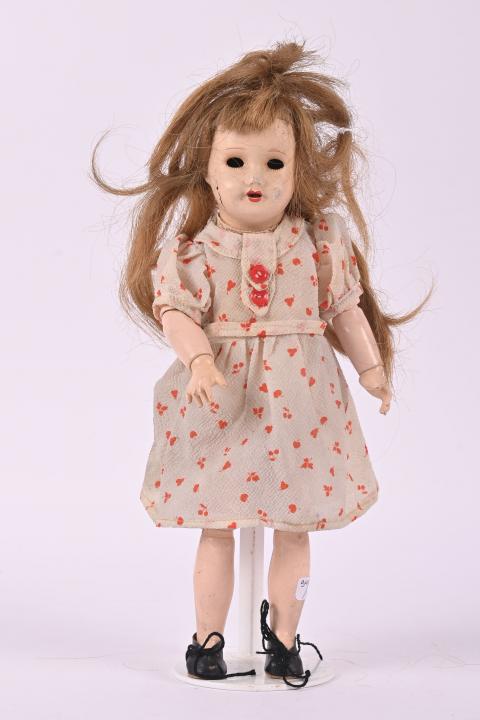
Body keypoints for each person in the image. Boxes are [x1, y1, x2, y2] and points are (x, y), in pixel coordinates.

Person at [90, 40, 431, 688]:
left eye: (275, 162)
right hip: (222, 401)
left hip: (301, 409)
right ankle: (208, 640)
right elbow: (178, 313)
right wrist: (199, 361)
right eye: (236, 161)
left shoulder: (320, 244)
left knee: (295, 527)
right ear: (210, 172)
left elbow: (344, 311)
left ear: (297, 171)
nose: (257, 176)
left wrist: (371, 368)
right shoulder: (193, 252)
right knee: (217, 526)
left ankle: (284, 641)